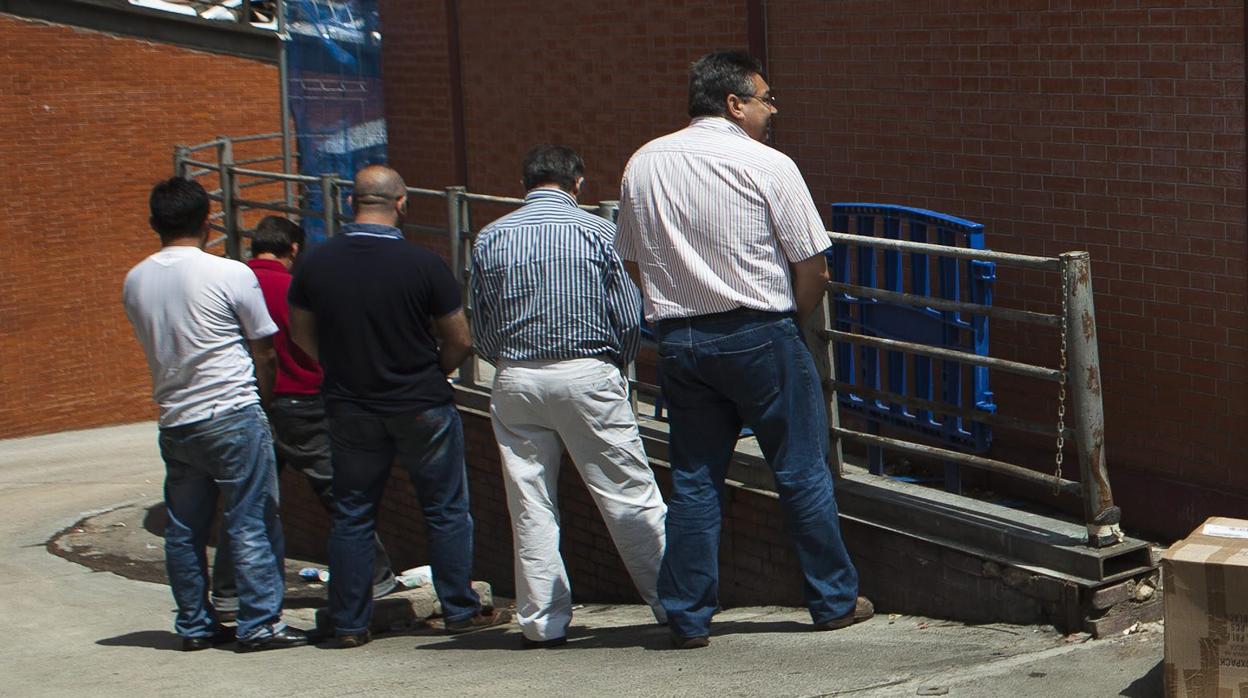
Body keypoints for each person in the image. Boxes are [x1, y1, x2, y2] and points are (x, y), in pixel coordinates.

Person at [615, 50, 873, 649]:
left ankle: (685, 613)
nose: (772, 109)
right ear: (734, 103)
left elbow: (633, 259)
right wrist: (788, 321)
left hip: (680, 339)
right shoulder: (769, 163)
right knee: (801, 470)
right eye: (765, 98)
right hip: (761, 333)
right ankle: (833, 600)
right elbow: (812, 265)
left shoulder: (643, 163)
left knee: (696, 481)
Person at [287, 165, 510, 648]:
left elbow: (300, 332)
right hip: (420, 402)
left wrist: (334, 364)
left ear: (352, 203)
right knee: (446, 510)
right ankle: (459, 610)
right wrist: (435, 368)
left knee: (353, 512)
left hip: (350, 404)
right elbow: (460, 339)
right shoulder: (424, 264)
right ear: (402, 203)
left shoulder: (316, 263)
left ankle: (348, 621)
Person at [470, 145, 668, 648]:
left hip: (515, 375)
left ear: (525, 182)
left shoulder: (491, 237)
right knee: (627, 494)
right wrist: (613, 367)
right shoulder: (597, 231)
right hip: (586, 371)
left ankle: (542, 623)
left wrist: (507, 361)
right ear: (576, 182)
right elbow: (627, 316)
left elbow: (482, 321)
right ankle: (674, 603)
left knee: (530, 503)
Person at [122, 177, 308, 652]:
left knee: (184, 531)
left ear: (153, 224)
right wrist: (261, 404)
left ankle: (194, 626)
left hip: (176, 420)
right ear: (208, 224)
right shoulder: (228, 273)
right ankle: (260, 625)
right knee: (252, 520)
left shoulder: (135, 280)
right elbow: (263, 351)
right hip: (231, 411)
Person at [210, 216, 397, 619]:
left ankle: (226, 592)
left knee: (246, 502)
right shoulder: (295, 287)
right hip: (305, 403)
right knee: (342, 497)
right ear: (293, 249)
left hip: (251, 403)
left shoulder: (230, 284)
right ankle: (376, 577)